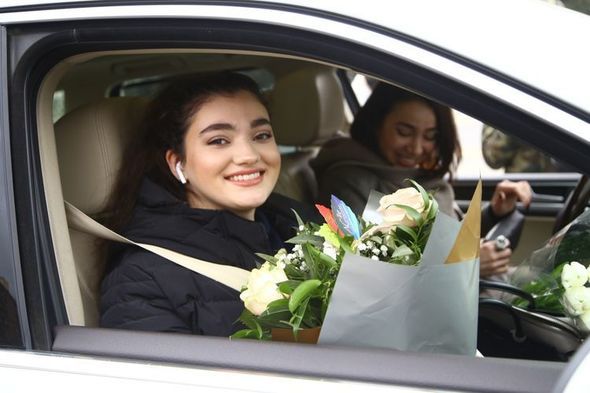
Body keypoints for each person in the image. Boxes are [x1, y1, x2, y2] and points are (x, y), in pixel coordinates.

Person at [100, 72, 318, 336]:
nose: (249, 155)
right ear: (178, 163)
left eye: (261, 135)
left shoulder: (305, 228)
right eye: (218, 141)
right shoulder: (140, 281)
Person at [311, 82, 532, 279]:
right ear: (376, 124)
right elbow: (369, 271)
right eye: (404, 132)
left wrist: (494, 213)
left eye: (429, 137)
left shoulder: (412, 177)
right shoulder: (349, 181)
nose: (417, 149)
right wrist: (462, 265)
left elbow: (444, 237)